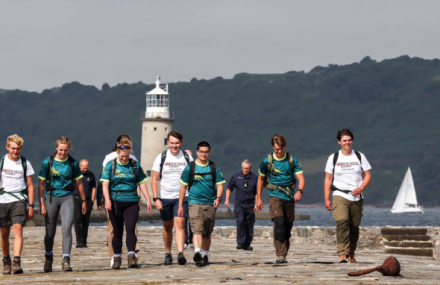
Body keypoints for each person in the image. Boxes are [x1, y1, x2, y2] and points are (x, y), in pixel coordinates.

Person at [101, 137, 152, 269]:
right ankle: (117, 257)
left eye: (127, 156)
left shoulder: (134, 164)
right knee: (117, 231)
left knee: (130, 229)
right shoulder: (111, 165)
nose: (124, 159)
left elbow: (141, 182)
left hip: (131, 201)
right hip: (115, 201)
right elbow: (105, 184)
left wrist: (148, 199)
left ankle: (131, 256)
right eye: (122, 156)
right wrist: (107, 200)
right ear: (118, 153)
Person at [38, 137, 87, 272]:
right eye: (60, 150)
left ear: (69, 149)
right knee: (50, 232)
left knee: (66, 228)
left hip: (67, 197)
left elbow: (79, 184)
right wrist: (41, 202)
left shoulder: (73, 163)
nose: (63, 153)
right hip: (51, 197)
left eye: (65, 150)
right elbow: (41, 184)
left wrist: (83, 201)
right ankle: (48, 257)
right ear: (56, 148)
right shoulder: (47, 162)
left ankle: (66, 260)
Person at [324, 128, 372, 263]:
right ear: (339, 142)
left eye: (349, 140)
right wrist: (326, 198)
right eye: (344, 140)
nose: (347, 143)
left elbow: (367, 175)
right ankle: (342, 254)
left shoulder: (359, 156)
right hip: (339, 194)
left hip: (356, 196)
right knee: (342, 222)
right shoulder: (333, 158)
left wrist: (361, 188)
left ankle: (351, 253)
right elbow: (328, 179)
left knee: (354, 226)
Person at [256, 134, 305, 264]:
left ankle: (284, 250)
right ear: (273, 147)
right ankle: (280, 255)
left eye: (281, 148)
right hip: (275, 195)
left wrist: (300, 191)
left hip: (289, 196)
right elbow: (260, 179)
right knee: (279, 223)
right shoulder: (267, 161)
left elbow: (301, 178)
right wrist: (258, 198)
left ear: (285, 146)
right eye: (277, 149)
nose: (279, 151)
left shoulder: (291, 159)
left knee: (287, 226)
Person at [178, 141, 225, 267]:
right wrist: (180, 205)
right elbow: (183, 187)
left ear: (209, 153)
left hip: (210, 203)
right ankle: (197, 252)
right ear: (197, 152)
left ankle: (204, 255)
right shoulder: (190, 167)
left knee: (206, 232)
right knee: (197, 228)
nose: (204, 154)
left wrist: (218, 198)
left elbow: (220, 185)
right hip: (194, 202)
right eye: (202, 152)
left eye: (206, 152)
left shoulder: (214, 167)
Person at [151, 130, 194, 265]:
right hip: (165, 197)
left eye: (177, 143)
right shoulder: (161, 157)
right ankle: (168, 253)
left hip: (182, 197)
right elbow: (154, 179)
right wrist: (156, 198)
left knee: (180, 224)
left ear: (181, 143)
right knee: (167, 226)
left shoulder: (187, 158)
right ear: (168, 143)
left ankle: (180, 253)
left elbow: (194, 177)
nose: (174, 146)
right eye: (171, 143)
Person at [0, 134, 35, 274]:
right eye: (13, 148)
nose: (15, 151)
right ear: (7, 147)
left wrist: (31, 205)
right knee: (4, 233)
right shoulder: (2, 161)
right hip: (3, 200)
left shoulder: (25, 163)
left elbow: (31, 186)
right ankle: (6, 260)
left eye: (18, 148)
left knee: (18, 229)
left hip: (19, 200)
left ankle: (16, 262)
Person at [225, 159, 257, 251]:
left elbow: (257, 192)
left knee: (249, 224)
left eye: (247, 168)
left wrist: (257, 203)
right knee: (240, 221)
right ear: (241, 167)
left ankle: (247, 244)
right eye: (244, 168)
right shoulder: (236, 176)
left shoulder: (254, 178)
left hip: (250, 204)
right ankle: (240, 242)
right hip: (239, 204)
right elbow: (229, 188)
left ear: (250, 168)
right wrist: (227, 199)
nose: (245, 170)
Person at [73, 159, 96, 248]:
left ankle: (84, 241)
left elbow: (94, 188)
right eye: (83, 168)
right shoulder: (75, 174)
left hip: (88, 200)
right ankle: (78, 241)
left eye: (86, 168)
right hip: (76, 199)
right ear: (80, 166)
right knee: (77, 220)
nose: (85, 170)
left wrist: (92, 200)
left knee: (85, 221)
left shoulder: (91, 175)